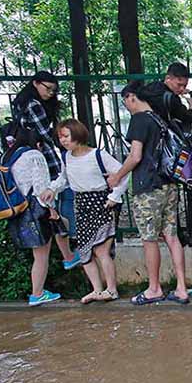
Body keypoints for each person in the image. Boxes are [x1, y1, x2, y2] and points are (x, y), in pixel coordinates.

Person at [106, 82, 190, 305]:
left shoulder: (140, 119)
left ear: (131, 97)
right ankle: (181, 288)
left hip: (148, 188)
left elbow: (135, 156)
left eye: (125, 101)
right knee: (172, 236)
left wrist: (117, 177)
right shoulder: (160, 120)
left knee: (149, 239)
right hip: (169, 184)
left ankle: (154, 288)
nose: (127, 107)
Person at [40, 119, 129, 304]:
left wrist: (115, 196)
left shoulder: (98, 155)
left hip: (102, 203)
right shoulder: (66, 157)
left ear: (77, 134)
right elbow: (63, 178)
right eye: (60, 137)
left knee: (101, 249)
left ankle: (111, 290)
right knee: (85, 250)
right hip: (81, 204)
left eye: (66, 136)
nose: (63, 140)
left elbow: (123, 173)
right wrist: (52, 189)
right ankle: (97, 290)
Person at [140, 62, 192, 248]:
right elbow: (187, 119)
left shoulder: (146, 92)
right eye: (179, 84)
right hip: (174, 151)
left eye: (184, 85)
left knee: (170, 193)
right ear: (168, 79)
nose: (181, 88)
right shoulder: (171, 99)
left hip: (152, 151)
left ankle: (175, 234)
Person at [11, 70, 80, 270]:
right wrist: (67, 145)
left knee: (52, 209)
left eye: (53, 90)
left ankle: (68, 255)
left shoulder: (22, 105)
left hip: (34, 165)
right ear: (35, 83)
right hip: (46, 164)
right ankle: (71, 251)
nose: (50, 93)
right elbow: (47, 135)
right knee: (55, 206)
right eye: (47, 88)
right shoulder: (33, 105)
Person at [2, 128, 63, 306]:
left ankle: (68, 258)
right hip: (33, 211)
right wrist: (51, 208)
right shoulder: (34, 155)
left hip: (16, 211)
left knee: (39, 253)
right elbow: (40, 188)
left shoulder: (9, 157)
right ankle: (37, 293)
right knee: (41, 255)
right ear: (37, 143)